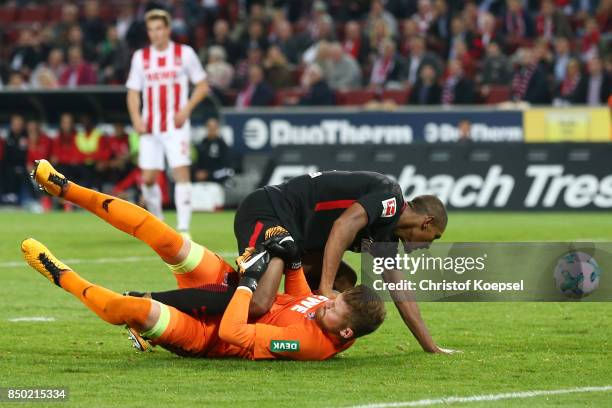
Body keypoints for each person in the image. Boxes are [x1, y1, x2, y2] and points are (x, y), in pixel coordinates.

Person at [24, 159, 386, 361]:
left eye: (335, 306)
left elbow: (234, 332)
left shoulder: (310, 345)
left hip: (206, 335)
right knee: (165, 235)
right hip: (228, 288)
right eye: (335, 297)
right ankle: (66, 188)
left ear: (347, 331)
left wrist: (247, 284)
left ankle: (60, 275)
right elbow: (298, 299)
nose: (328, 302)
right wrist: (291, 263)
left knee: (133, 309)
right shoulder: (335, 312)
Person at [233, 170, 457, 354]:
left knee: (345, 281)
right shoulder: (389, 196)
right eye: (434, 237)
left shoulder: (385, 237)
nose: (428, 245)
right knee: (259, 303)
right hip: (270, 212)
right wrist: (325, 288)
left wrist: (431, 347)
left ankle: (300, 330)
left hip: (296, 237)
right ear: (427, 222)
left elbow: (401, 293)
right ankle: (201, 314)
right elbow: (343, 226)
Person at [126, 9, 209, 236]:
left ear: (168, 30)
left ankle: (183, 229)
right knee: (149, 179)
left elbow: (202, 86)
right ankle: (159, 222)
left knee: (181, 172)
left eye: (159, 28)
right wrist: (136, 119)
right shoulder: (140, 58)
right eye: (151, 29)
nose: (155, 33)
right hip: (149, 127)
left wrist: (186, 109)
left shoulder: (185, 53)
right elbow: (133, 92)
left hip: (175, 126)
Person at [193, 118, 233, 183]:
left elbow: (228, 170)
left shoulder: (223, 146)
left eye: (214, 127)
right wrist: (197, 174)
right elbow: (196, 164)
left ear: (218, 128)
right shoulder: (201, 144)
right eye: (209, 127)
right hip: (200, 183)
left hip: (217, 184)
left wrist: (209, 174)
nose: (211, 129)